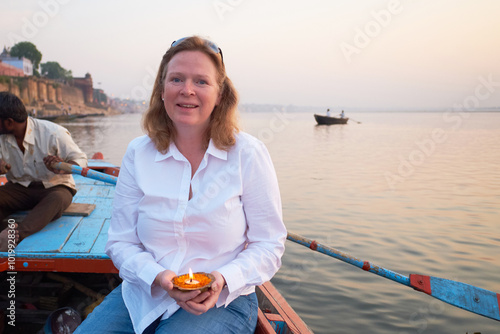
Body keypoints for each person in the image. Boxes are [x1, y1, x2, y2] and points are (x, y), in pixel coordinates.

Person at [74, 36, 287, 334]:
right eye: (177, 79)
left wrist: (222, 278)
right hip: (145, 293)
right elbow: (120, 242)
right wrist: (160, 277)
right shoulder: (139, 153)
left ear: (220, 93)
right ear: (162, 90)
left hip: (224, 300)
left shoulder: (247, 154)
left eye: (201, 81)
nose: (187, 90)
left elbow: (269, 244)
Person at [0, 91, 88, 251]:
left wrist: (63, 167)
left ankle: (15, 234)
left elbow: (81, 160)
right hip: (19, 188)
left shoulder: (53, 133)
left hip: (54, 188)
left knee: (57, 199)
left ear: (9, 122)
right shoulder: (2, 137)